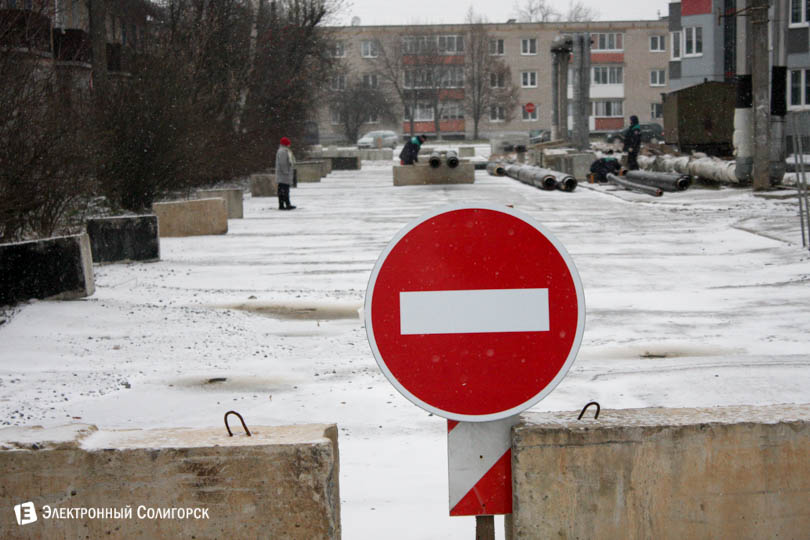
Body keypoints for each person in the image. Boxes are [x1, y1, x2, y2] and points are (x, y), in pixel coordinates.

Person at [275, 137, 296, 210]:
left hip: (284, 175)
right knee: (284, 190)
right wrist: (286, 172)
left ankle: (285, 204)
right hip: (283, 175)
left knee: (283, 190)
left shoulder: (284, 150)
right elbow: (283, 163)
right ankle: (285, 204)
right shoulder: (283, 151)